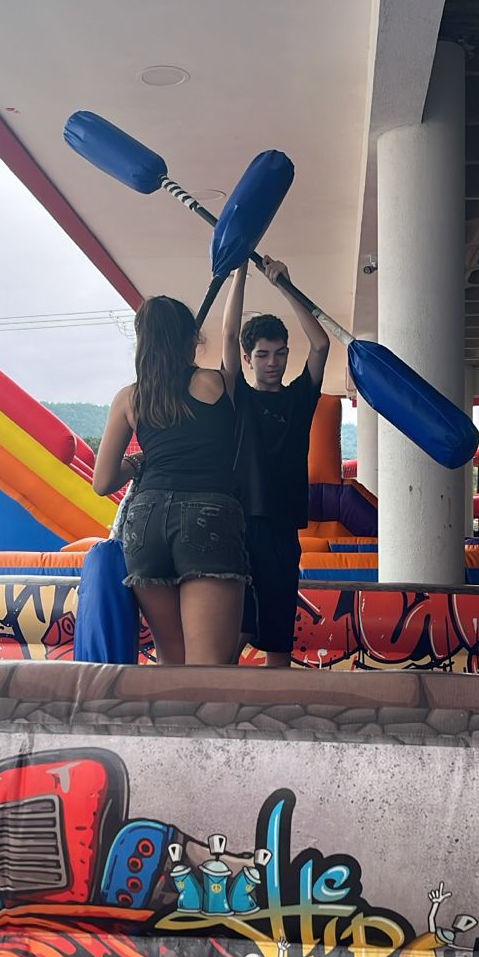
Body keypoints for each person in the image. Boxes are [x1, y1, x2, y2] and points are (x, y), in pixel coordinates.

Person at [94, 295, 248, 666]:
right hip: (208, 516)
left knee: (171, 661)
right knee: (208, 665)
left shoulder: (131, 398)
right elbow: (230, 334)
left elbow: (103, 482)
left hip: (145, 522)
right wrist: (239, 274)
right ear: (192, 338)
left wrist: (138, 460)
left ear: (143, 341)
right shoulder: (216, 383)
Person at [222, 257, 330, 667]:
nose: (273, 362)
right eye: (263, 354)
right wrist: (240, 271)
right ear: (249, 359)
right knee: (233, 633)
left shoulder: (299, 399)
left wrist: (285, 284)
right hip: (239, 525)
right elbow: (228, 335)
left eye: (280, 354)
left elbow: (321, 345)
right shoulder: (238, 397)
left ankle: (274, 703)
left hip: (283, 528)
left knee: (278, 642)